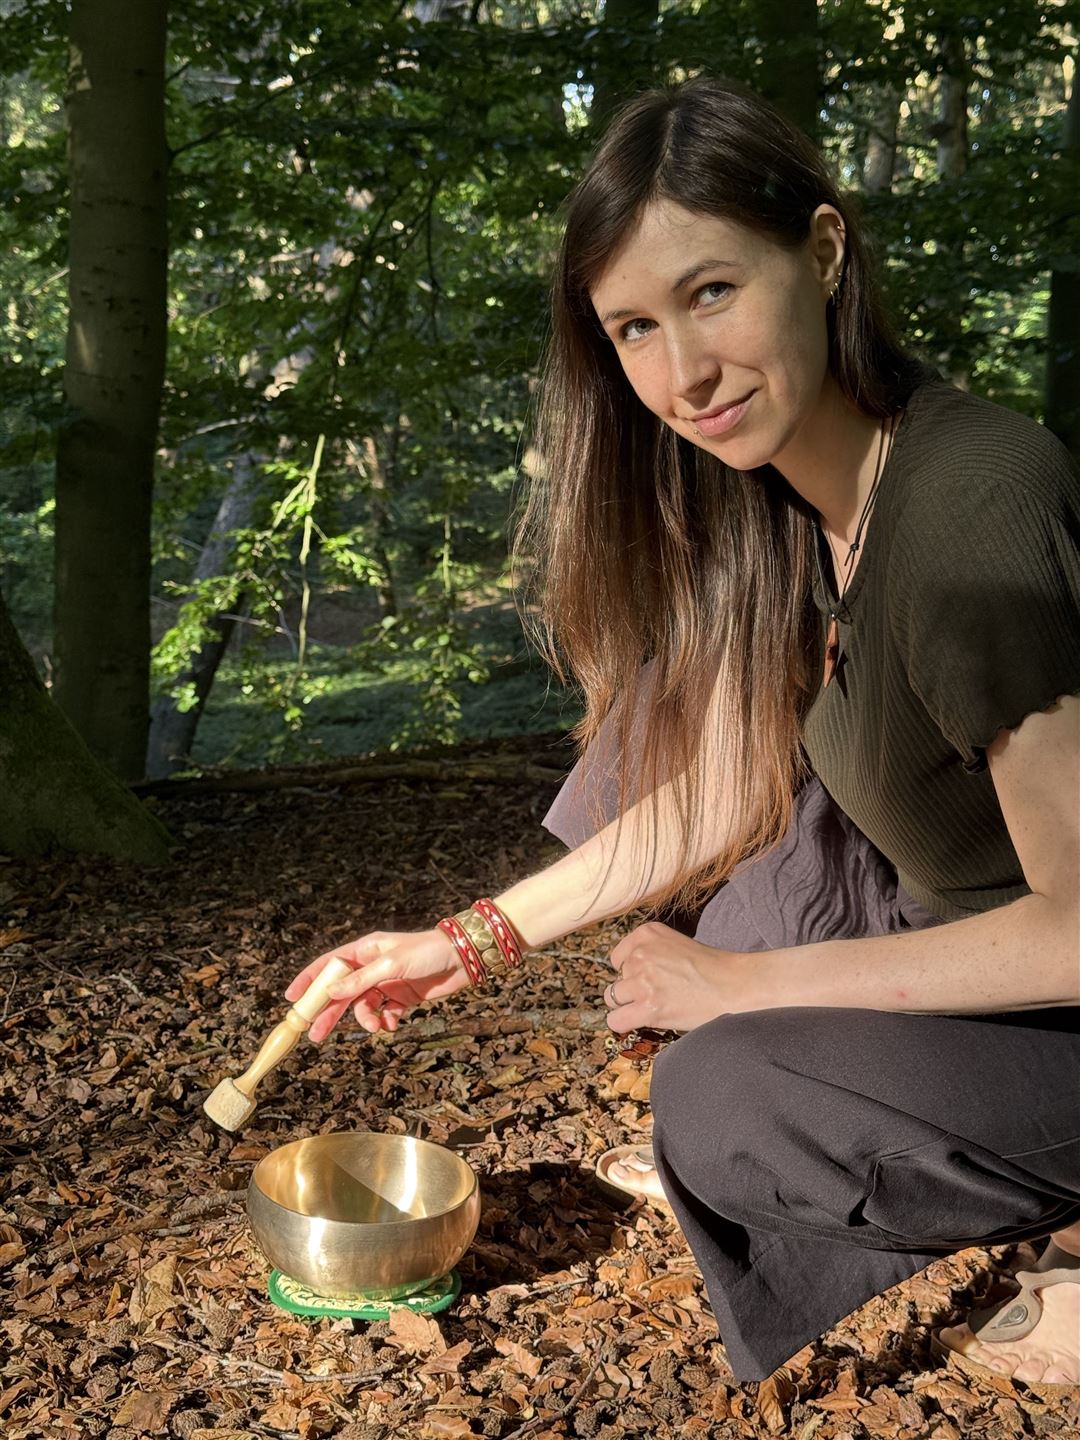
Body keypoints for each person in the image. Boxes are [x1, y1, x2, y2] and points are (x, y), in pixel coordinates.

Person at [285, 76, 1080, 1390]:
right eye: (636, 329)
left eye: (713, 292)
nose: (684, 374)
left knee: (722, 1092)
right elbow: (725, 787)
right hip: (986, 974)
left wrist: (742, 992)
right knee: (747, 931)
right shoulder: (792, 508)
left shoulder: (975, 507)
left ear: (822, 252)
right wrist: (456, 946)